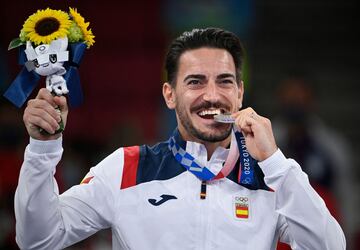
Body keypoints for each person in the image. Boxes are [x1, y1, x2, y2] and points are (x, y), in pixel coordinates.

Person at [15, 28, 345, 249]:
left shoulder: (271, 178)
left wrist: (275, 162)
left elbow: (330, 245)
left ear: (240, 92)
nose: (212, 95)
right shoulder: (127, 168)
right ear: (170, 95)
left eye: (225, 81)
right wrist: (43, 150)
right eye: (196, 82)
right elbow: (38, 239)